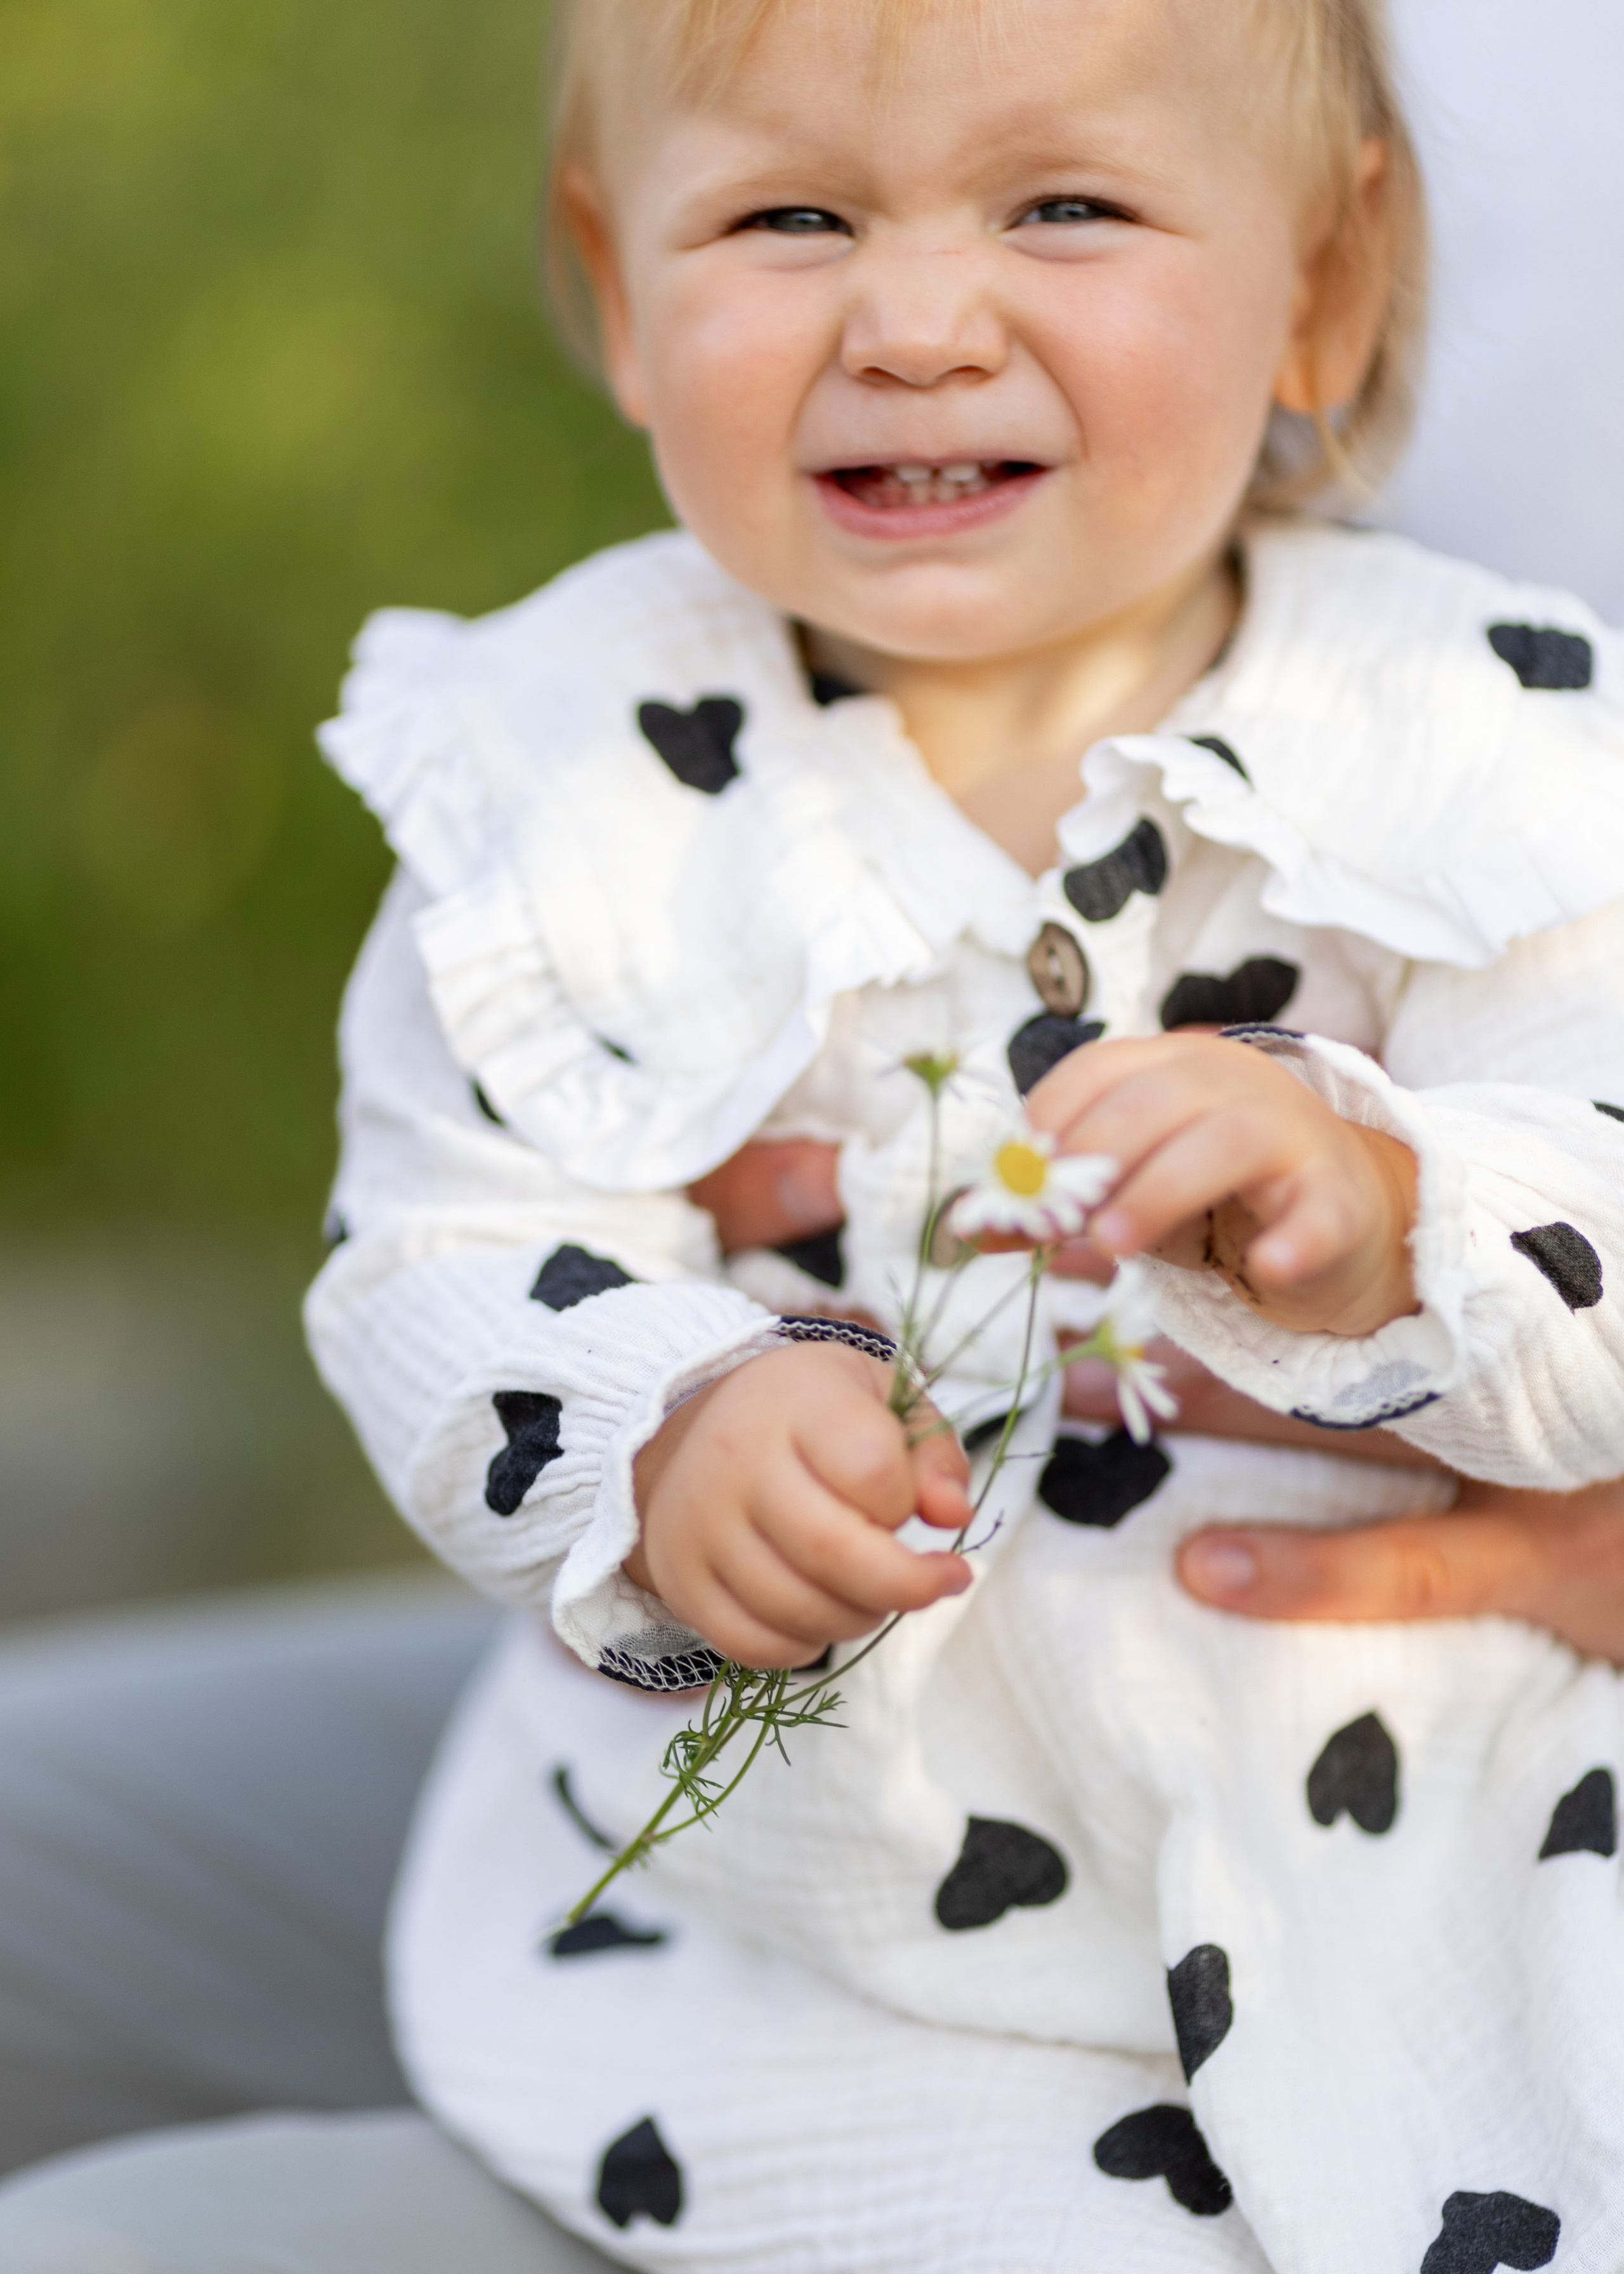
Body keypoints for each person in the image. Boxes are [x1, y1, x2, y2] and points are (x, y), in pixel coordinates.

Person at [2, 1, 1623, 2269]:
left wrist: (1398, 1207)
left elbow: (1608, 1151)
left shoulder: (1483, 738)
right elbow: (441, 1260)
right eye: (789, 217)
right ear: (621, 284)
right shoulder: (569, 775)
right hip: (821, 1946)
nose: (922, 323)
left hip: (1415, 1875)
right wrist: (665, 1431)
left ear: (1324, 292)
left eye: (1066, 207)